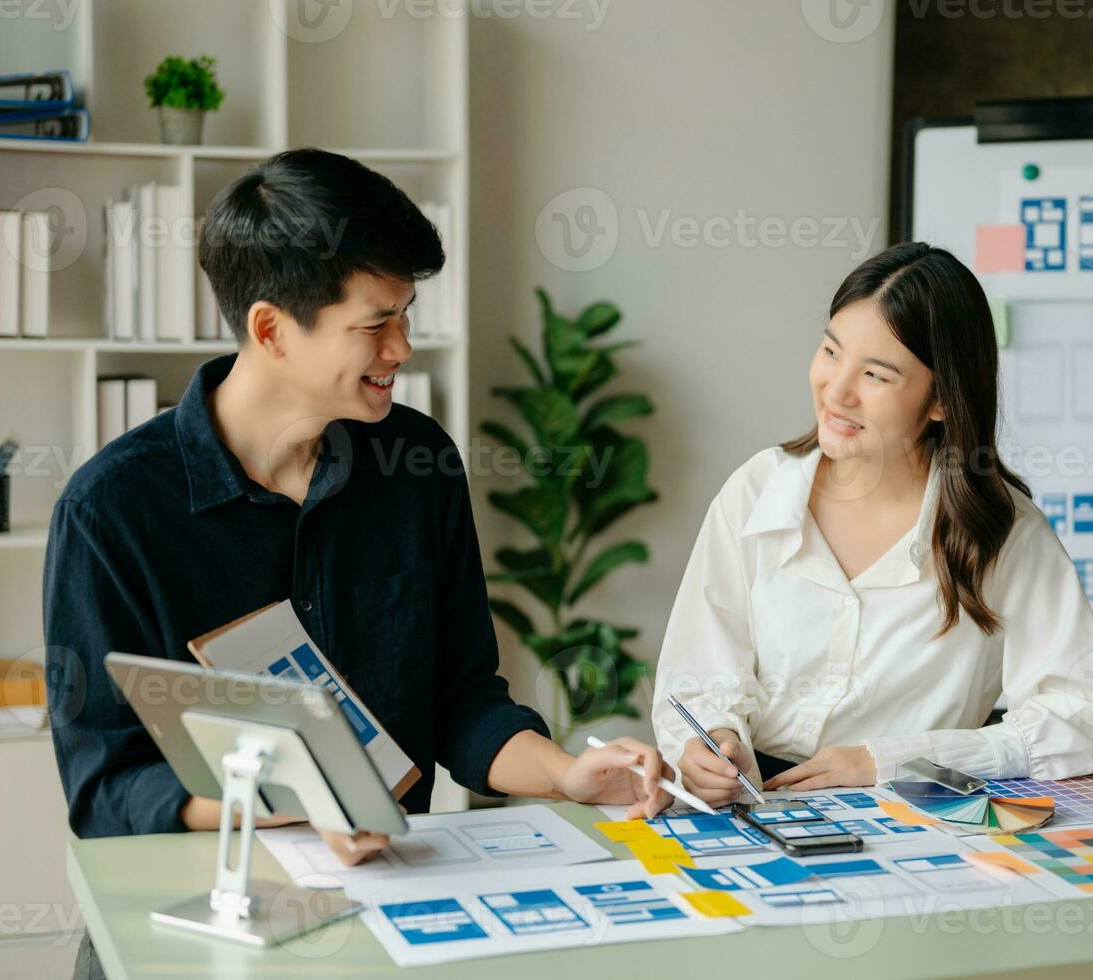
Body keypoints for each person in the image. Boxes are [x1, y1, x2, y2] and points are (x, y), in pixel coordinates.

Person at [43, 149, 673, 867]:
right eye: (375, 325)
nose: (402, 347)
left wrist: (563, 774)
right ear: (271, 330)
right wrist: (293, 802)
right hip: (208, 905)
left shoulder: (417, 465)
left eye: (406, 314)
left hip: (397, 892)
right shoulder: (112, 511)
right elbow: (105, 788)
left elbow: (462, 701)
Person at [651, 242, 1093, 806]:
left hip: (914, 811)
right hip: (752, 805)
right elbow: (696, 677)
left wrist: (890, 760)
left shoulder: (1000, 530)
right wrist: (712, 740)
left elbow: (1092, 716)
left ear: (942, 401)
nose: (836, 391)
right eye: (831, 351)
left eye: (876, 375)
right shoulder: (757, 491)